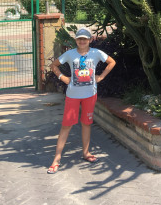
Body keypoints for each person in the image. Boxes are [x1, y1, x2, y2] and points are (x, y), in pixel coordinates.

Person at [47, 28, 116, 174]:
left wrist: (101, 77)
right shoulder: (70, 54)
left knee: (86, 123)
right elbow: (54, 65)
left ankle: (86, 153)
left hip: (90, 95)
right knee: (66, 125)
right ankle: (56, 159)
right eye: (79, 39)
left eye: (85, 39)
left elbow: (111, 62)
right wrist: (63, 78)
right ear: (76, 40)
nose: (82, 41)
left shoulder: (96, 53)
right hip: (73, 95)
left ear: (90, 40)